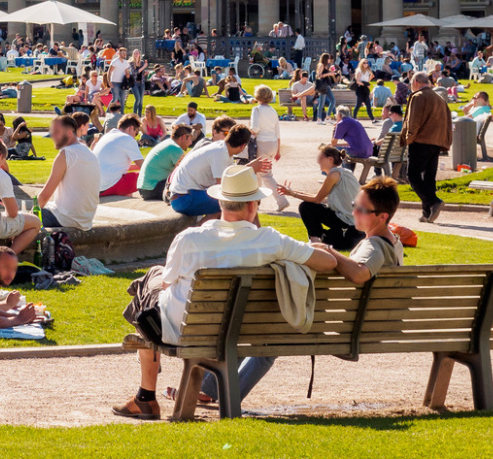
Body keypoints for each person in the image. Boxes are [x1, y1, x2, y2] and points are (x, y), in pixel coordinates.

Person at [115, 164, 340, 420]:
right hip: (243, 330)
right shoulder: (271, 241)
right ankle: (147, 393)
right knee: (150, 288)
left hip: (182, 331)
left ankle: (145, 397)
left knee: (150, 284)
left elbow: (167, 285)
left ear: (221, 203)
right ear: (253, 205)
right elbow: (329, 263)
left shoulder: (189, 239)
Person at [188, 176, 406, 410]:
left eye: (361, 209)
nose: (354, 212)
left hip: (345, 326)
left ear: (383, 217)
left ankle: (214, 393)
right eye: (354, 205)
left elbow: (360, 273)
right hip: (362, 322)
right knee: (264, 338)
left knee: (257, 333)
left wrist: (329, 251)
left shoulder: (375, 246)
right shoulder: (393, 243)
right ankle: (213, 391)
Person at [165, 123, 267, 217]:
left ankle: (207, 229)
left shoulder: (223, 150)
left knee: (243, 201)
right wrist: (249, 168)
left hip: (186, 196)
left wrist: (248, 168)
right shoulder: (220, 153)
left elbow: (230, 179)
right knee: (237, 203)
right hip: (183, 199)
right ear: (243, 146)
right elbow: (224, 187)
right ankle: (202, 228)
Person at [279, 144, 363, 250]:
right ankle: (320, 240)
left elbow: (317, 199)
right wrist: (292, 192)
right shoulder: (345, 172)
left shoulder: (333, 175)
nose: (318, 161)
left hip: (347, 223)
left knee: (306, 207)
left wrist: (293, 194)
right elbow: (320, 198)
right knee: (329, 239)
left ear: (330, 159)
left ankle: (315, 242)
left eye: (320, 157)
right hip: (353, 224)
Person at [37, 113, 99, 234]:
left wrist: (32, 215)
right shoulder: (88, 152)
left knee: (19, 221)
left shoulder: (66, 154)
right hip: (85, 219)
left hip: (65, 218)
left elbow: (45, 195)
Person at [403, 70, 451, 223]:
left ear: (416, 82)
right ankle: (426, 213)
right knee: (429, 178)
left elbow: (414, 121)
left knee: (413, 175)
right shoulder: (439, 98)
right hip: (437, 142)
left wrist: (408, 138)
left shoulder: (418, 96)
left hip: (421, 141)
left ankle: (433, 201)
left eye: (411, 83)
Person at [246, 85, 286, 212]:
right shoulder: (272, 111)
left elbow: (255, 128)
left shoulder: (257, 110)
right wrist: (278, 150)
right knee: (259, 174)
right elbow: (277, 132)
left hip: (262, 143)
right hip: (273, 143)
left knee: (265, 175)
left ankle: (281, 200)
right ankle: (256, 202)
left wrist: (246, 130)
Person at [138, 124, 195, 201]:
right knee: (190, 189)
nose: (191, 143)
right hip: (152, 189)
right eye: (190, 139)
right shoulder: (175, 148)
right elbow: (186, 172)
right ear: (183, 137)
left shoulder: (169, 143)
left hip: (145, 188)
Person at [94, 115, 145, 196]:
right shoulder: (128, 138)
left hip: (94, 186)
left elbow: (114, 166)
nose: (135, 137)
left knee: (125, 179)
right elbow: (144, 167)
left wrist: (135, 167)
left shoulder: (107, 136)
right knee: (149, 176)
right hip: (107, 185)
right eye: (136, 133)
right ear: (131, 128)